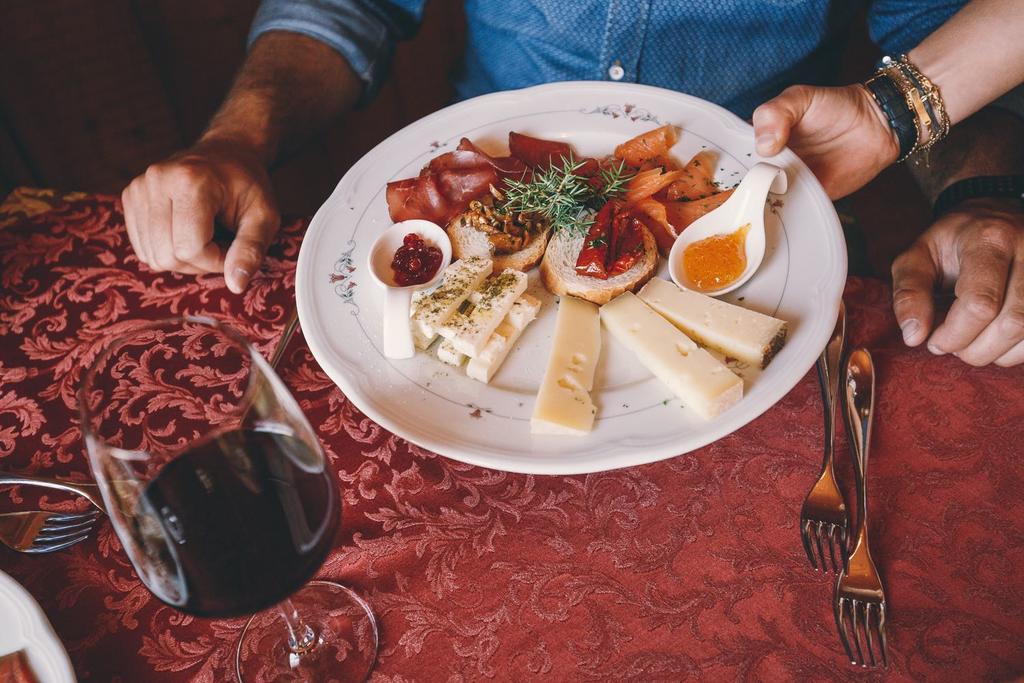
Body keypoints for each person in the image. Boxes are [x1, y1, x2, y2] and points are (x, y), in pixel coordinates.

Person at [121, 0, 1024, 367]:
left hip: (778, 210)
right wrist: (239, 133)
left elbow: (940, 32)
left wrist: (980, 198)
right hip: (484, 184)